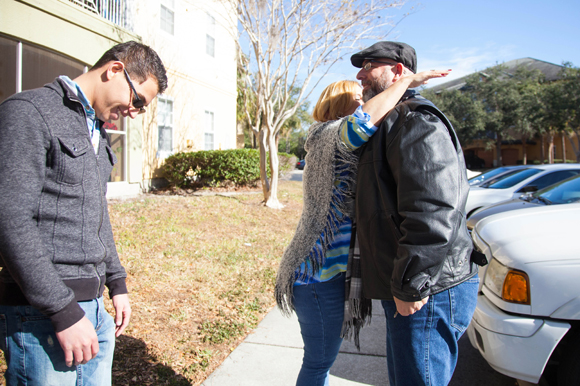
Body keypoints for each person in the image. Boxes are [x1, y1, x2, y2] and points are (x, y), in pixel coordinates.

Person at [0, 41, 167, 385]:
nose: (135, 112)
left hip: (93, 311)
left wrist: (116, 282)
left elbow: (97, 214)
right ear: (115, 70)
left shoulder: (97, 134)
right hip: (42, 316)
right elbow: (10, 219)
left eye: (142, 108)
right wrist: (62, 311)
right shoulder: (30, 111)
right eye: (137, 101)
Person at [275, 68, 450, 386]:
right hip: (318, 274)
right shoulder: (327, 137)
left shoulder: (347, 145)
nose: (366, 102)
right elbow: (363, 122)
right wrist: (407, 82)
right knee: (318, 364)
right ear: (338, 106)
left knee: (322, 363)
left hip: (332, 274)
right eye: (357, 100)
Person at [350, 41, 481, 386]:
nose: (360, 74)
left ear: (396, 71)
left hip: (429, 290)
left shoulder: (414, 120)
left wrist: (410, 284)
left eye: (368, 65)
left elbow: (433, 209)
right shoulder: (388, 122)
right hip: (410, 285)